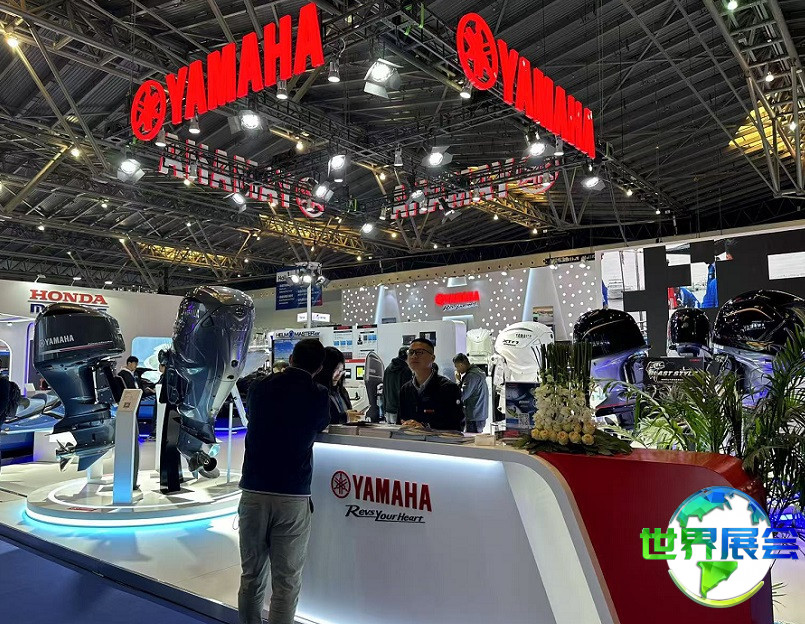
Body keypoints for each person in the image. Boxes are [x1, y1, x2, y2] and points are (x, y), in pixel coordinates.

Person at [238, 338, 330, 624]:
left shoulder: (259, 387)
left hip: (253, 490)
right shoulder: (318, 394)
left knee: (251, 575)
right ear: (319, 368)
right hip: (292, 495)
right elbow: (322, 424)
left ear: (291, 359)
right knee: (286, 581)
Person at [398, 338, 464, 431]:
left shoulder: (448, 388)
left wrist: (425, 426)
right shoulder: (405, 390)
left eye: (419, 352)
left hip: (438, 440)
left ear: (432, 358)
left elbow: (456, 424)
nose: (414, 356)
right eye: (411, 352)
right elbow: (400, 421)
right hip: (409, 439)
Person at [313, 347, 353, 425]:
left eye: (340, 370)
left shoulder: (342, 391)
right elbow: (320, 420)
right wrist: (346, 417)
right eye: (334, 370)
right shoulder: (317, 392)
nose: (338, 375)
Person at [453, 353, 489, 433]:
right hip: (479, 414)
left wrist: (458, 380)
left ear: (461, 364)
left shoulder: (471, 376)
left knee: (471, 439)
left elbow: (462, 395)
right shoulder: (478, 372)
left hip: (474, 416)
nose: (457, 370)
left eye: (457, 367)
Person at [382, 347, 412, 424]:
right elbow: (406, 393)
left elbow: (384, 390)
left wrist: (384, 408)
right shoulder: (406, 370)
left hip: (388, 410)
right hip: (399, 412)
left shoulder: (388, 368)